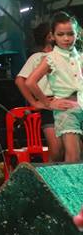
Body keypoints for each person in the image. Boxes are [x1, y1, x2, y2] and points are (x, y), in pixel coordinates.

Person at [25, 12, 82, 163]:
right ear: (52, 36)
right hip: (66, 109)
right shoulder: (51, 58)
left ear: (77, 34)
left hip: (80, 104)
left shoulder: (80, 56)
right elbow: (30, 82)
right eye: (61, 34)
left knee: (78, 154)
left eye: (70, 34)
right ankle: (69, 180)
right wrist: (47, 103)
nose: (66, 38)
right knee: (73, 155)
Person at [15, 23, 64, 161]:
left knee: (72, 147)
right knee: (56, 149)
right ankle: (49, 174)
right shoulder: (37, 57)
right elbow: (20, 80)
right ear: (49, 36)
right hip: (49, 104)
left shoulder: (66, 56)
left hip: (67, 102)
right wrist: (35, 102)